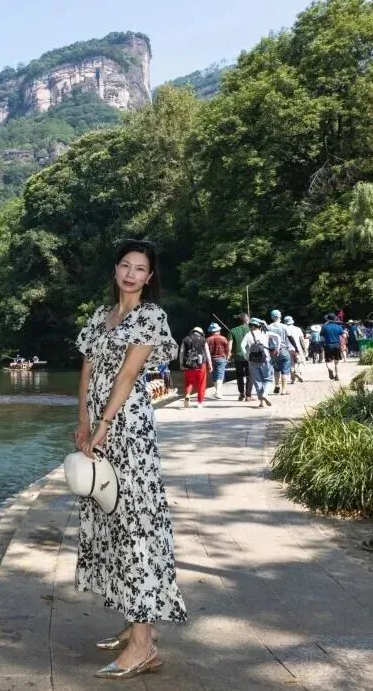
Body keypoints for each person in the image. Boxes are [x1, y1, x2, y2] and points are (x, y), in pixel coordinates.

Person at [73, 239, 187, 679]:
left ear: (149, 277)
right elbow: (87, 370)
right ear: (115, 269)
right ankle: (136, 624)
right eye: (125, 265)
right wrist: (83, 421)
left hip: (128, 426)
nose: (131, 274)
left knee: (137, 523)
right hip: (98, 422)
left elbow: (127, 375)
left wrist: (102, 424)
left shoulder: (150, 316)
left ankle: (144, 645)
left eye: (140, 268)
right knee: (112, 521)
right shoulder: (99, 317)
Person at [242, 318, 274, 408]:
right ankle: (265, 394)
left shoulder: (248, 335)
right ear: (259, 326)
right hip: (265, 359)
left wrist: (245, 355)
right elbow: (277, 337)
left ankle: (262, 402)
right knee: (268, 379)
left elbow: (242, 345)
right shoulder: (265, 334)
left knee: (257, 381)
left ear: (251, 327)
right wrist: (277, 347)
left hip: (252, 360)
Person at [179, 326, 212, 408]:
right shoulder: (203, 339)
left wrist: (181, 364)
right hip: (201, 364)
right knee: (201, 383)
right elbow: (207, 352)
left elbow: (181, 352)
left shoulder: (186, 339)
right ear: (201, 333)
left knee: (189, 382)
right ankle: (200, 402)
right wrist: (210, 364)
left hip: (188, 365)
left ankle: (188, 394)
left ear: (193, 331)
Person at [228, 313, 254, 402]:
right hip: (249, 356)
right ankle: (248, 395)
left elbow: (230, 344)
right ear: (247, 320)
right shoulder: (251, 329)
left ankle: (241, 394)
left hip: (237, 357)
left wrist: (229, 354)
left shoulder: (233, 331)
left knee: (239, 376)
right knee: (249, 375)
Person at [266, 310, 291, 395]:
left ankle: (277, 385)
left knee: (276, 369)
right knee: (285, 371)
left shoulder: (269, 327)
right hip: (283, 349)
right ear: (279, 316)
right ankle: (284, 390)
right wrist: (296, 348)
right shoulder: (284, 326)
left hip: (272, 351)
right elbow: (290, 337)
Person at [206, 322, 230, 400]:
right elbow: (227, 349)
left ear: (211, 331)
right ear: (218, 331)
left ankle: (217, 391)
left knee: (214, 375)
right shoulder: (223, 338)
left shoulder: (208, 340)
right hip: (221, 358)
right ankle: (218, 392)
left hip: (211, 359)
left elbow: (206, 351)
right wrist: (228, 357)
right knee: (220, 375)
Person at [321, 313, 345, 381]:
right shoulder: (338, 327)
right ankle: (337, 375)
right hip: (337, 345)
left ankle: (330, 369)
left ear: (327, 319)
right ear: (335, 319)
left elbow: (322, 337)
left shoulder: (324, 327)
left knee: (328, 361)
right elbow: (344, 336)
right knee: (336, 362)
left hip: (328, 345)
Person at [283, 315, 305, 384]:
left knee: (291, 364)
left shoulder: (284, 330)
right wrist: (305, 348)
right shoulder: (298, 329)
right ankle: (297, 371)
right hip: (297, 348)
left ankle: (293, 379)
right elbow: (302, 340)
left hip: (287, 348)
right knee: (301, 362)